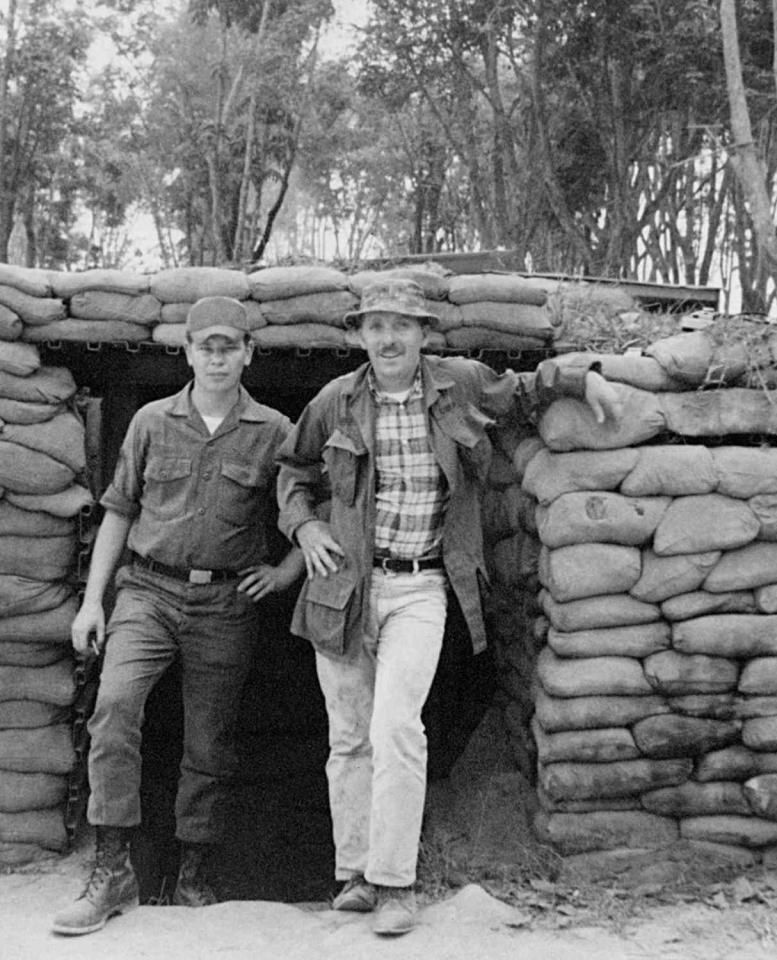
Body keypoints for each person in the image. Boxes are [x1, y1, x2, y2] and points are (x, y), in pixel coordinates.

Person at [275, 277, 622, 937]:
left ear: (424, 334)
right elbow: (293, 470)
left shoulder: (458, 384)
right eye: (375, 327)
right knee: (347, 735)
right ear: (359, 336)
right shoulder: (335, 401)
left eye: (401, 326)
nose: (388, 339)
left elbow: (523, 390)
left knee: (397, 728)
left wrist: (584, 378)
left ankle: (394, 884)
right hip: (344, 587)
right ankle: (351, 876)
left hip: (421, 587)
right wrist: (306, 527)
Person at [52, 296, 304, 936]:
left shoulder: (275, 431)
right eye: (205, 345)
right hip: (148, 592)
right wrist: (91, 602)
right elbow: (119, 511)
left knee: (209, 741)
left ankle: (194, 874)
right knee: (114, 708)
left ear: (249, 352)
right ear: (187, 352)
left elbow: (319, 509)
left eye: (229, 345)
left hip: (227, 603)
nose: (217, 356)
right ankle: (113, 870)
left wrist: (284, 573)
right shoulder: (149, 422)